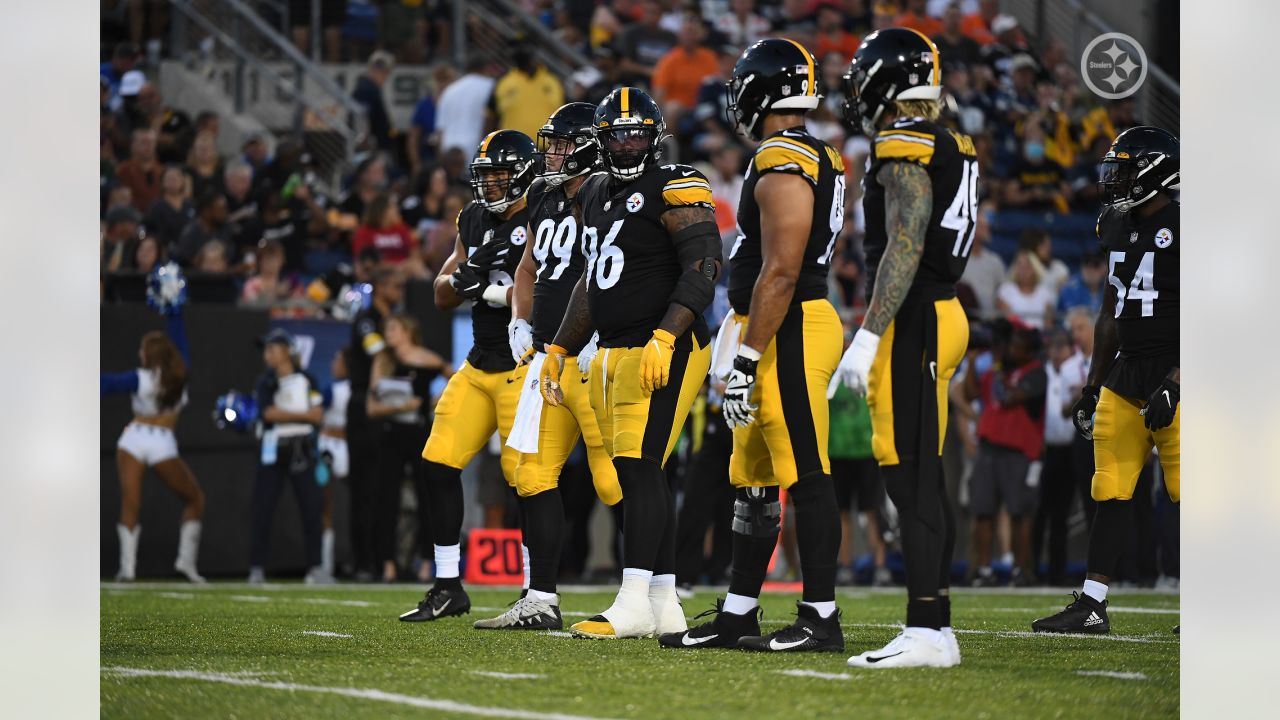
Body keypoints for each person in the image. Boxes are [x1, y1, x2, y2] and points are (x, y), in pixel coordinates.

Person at [663, 39, 845, 654]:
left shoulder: (782, 159)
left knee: (808, 473)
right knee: (755, 477)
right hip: (770, 324)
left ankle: (821, 616)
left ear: (762, 91)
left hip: (788, 326)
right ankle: (740, 611)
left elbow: (783, 270)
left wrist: (746, 355)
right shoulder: (807, 153)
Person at [538, 87, 719, 639]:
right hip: (616, 347)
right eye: (616, 134)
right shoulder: (594, 194)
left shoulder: (675, 183)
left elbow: (705, 265)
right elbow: (594, 283)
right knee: (638, 471)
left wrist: (667, 335)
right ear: (601, 140)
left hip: (666, 344)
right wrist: (561, 346)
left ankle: (634, 597)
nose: (626, 143)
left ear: (654, 136)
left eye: (636, 133)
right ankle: (663, 602)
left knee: (639, 467)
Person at [834, 28, 976, 668]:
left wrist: (868, 331)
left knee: (911, 476)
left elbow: (908, 242)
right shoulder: (955, 137)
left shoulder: (905, 138)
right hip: (942, 311)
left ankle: (924, 630)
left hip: (915, 316)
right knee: (920, 474)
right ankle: (936, 622)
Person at [475, 103, 621, 630]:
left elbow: (613, 266)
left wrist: (600, 331)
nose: (552, 153)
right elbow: (529, 263)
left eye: (561, 144)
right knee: (531, 475)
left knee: (617, 479)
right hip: (548, 357)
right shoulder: (541, 192)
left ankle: (655, 589)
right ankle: (540, 599)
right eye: (551, 143)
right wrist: (520, 318)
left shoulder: (603, 193)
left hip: (592, 354)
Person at [1032, 126, 1180, 634]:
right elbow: (1109, 310)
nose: (1115, 179)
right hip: (1126, 370)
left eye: (1126, 169)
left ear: (1156, 172)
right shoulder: (1114, 225)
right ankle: (1092, 604)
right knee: (1109, 488)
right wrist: (1094, 383)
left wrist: (1178, 381)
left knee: (1189, 490)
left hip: (1176, 367)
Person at [399, 130, 536, 622]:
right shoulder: (474, 217)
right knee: (437, 463)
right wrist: (461, 280)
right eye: (486, 176)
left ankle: (534, 591)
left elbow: (550, 291)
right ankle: (447, 584)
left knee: (529, 483)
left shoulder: (543, 215)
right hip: (480, 364)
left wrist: (495, 294)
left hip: (525, 366)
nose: (491, 185)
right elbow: (440, 292)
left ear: (522, 174)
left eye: (500, 174)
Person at [101, 304, 205, 583]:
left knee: (189, 498)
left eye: (142, 350)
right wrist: (175, 313)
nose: (139, 354)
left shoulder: (152, 377)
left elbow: (104, 384)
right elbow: (104, 385)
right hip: (143, 440)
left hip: (146, 441)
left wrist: (174, 310)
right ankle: (129, 570)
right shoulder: (178, 376)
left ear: (151, 355)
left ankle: (182, 564)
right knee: (145, 501)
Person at [963, 323, 1045, 587]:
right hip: (988, 450)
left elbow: (1006, 397)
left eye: (1015, 344)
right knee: (983, 511)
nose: (1009, 348)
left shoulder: (1036, 373)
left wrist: (996, 364)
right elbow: (970, 393)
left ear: (1028, 350)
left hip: (1019, 453)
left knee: (1020, 512)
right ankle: (984, 570)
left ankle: (1022, 570)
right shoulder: (996, 371)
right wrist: (972, 361)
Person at [369, 314, 448, 583]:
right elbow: (372, 406)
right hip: (390, 434)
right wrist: (401, 406)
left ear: (407, 330)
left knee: (427, 497)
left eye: (393, 328)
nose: (388, 333)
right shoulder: (383, 360)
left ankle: (427, 562)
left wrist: (435, 403)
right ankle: (388, 563)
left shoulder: (427, 358)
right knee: (385, 499)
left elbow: (459, 379)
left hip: (420, 434)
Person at [249, 329, 329, 584]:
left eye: (272, 348)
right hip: (273, 449)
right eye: (266, 349)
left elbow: (317, 415)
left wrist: (285, 413)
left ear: (287, 351)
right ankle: (257, 568)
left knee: (311, 508)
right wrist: (301, 415)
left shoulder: (307, 379)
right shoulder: (265, 383)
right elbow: (267, 414)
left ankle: (315, 568)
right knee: (263, 508)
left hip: (301, 450)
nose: (267, 354)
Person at [347, 266, 407, 580]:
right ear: (381, 287)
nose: (399, 291)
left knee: (387, 489)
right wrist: (407, 351)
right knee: (364, 488)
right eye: (394, 285)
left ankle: (386, 560)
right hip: (364, 404)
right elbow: (377, 350)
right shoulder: (367, 320)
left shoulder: (393, 320)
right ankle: (362, 562)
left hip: (391, 405)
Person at [829, 379, 892, 587]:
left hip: (866, 451)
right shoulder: (830, 370)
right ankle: (845, 566)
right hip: (837, 451)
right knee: (841, 513)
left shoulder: (867, 368)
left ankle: (881, 566)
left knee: (873, 510)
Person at [1036, 328, 1086, 585]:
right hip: (1048, 450)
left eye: (1060, 347)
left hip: (1071, 447)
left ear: (1070, 348)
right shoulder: (1043, 372)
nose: (1055, 352)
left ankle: (1061, 571)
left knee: (1063, 515)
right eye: (1052, 347)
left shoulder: (1076, 369)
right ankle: (1041, 570)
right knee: (1043, 512)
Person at [487, 40, 565, 140]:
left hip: (548, 149)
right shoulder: (503, 82)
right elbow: (490, 117)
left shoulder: (554, 81)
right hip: (513, 149)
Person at [318, 348, 351, 579]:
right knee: (325, 504)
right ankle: (325, 565)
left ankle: (349, 560)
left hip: (348, 448)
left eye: (337, 360)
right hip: (328, 446)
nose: (333, 364)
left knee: (350, 504)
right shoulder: (330, 389)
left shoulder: (355, 388)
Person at [436, 59, 498, 162]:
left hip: (450, 151)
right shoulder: (491, 86)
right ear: (486, 69)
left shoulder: (449, 90)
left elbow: (440, 131)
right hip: (477, 151)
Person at [957, 202, 1004, 320]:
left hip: (989, 321)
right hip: (964, 318)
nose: (986, 230)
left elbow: (1002, 293)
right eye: (982, 226)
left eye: (987, 226)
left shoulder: (995, 261)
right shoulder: (958, 259)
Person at [997, 251, 1056, 330]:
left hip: (1039, 338)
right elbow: (1008, 320)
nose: (1023, 271)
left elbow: (1048, 325)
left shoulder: (1044, 292)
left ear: (1035, 269)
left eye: (1027, 267)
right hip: (1015, 337)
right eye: (1019, 266)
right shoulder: (1006, 290)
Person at [173, 190, 232, 267]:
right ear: (206, 211)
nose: (225, 212)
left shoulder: (226, 228)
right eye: (221, 209)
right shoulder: (190, 234)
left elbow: (228, 258)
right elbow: (189, 264)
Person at [353, 51, 396, 153]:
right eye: (384, 71)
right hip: (372, 150)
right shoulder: (366, 90)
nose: (386, 76)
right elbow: (363, 121)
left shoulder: (371, 88)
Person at [144, 165, 194, 249]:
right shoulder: (156, 207)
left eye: (176, 177)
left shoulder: (192, 205)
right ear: (162, 182)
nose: (173, 181)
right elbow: (152, 233)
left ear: (183, 181)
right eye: (169, 178)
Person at [240, 239, 302, 307]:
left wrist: (290, 295)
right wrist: (275, 293)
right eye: (268, 258)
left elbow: (301, 306)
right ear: (260, 261)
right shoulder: (252, 284)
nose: (271, 263)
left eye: (275, 258)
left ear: (282, 261)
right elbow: (250, 307)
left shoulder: (288, 283)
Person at [115, 128, 162, 212]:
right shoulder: (123, 170)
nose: (149, 146)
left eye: (151, 142)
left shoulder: (162, 171)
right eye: (144, 142)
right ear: (133, 145)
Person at [1057, 252, 1106, 317]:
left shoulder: (1108, 288)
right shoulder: (1070, 288)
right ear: (1081, 267)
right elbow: (1073, 318)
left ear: (1103, 269)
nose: (1090, 270)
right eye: (1086, 264)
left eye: (1095, 265)